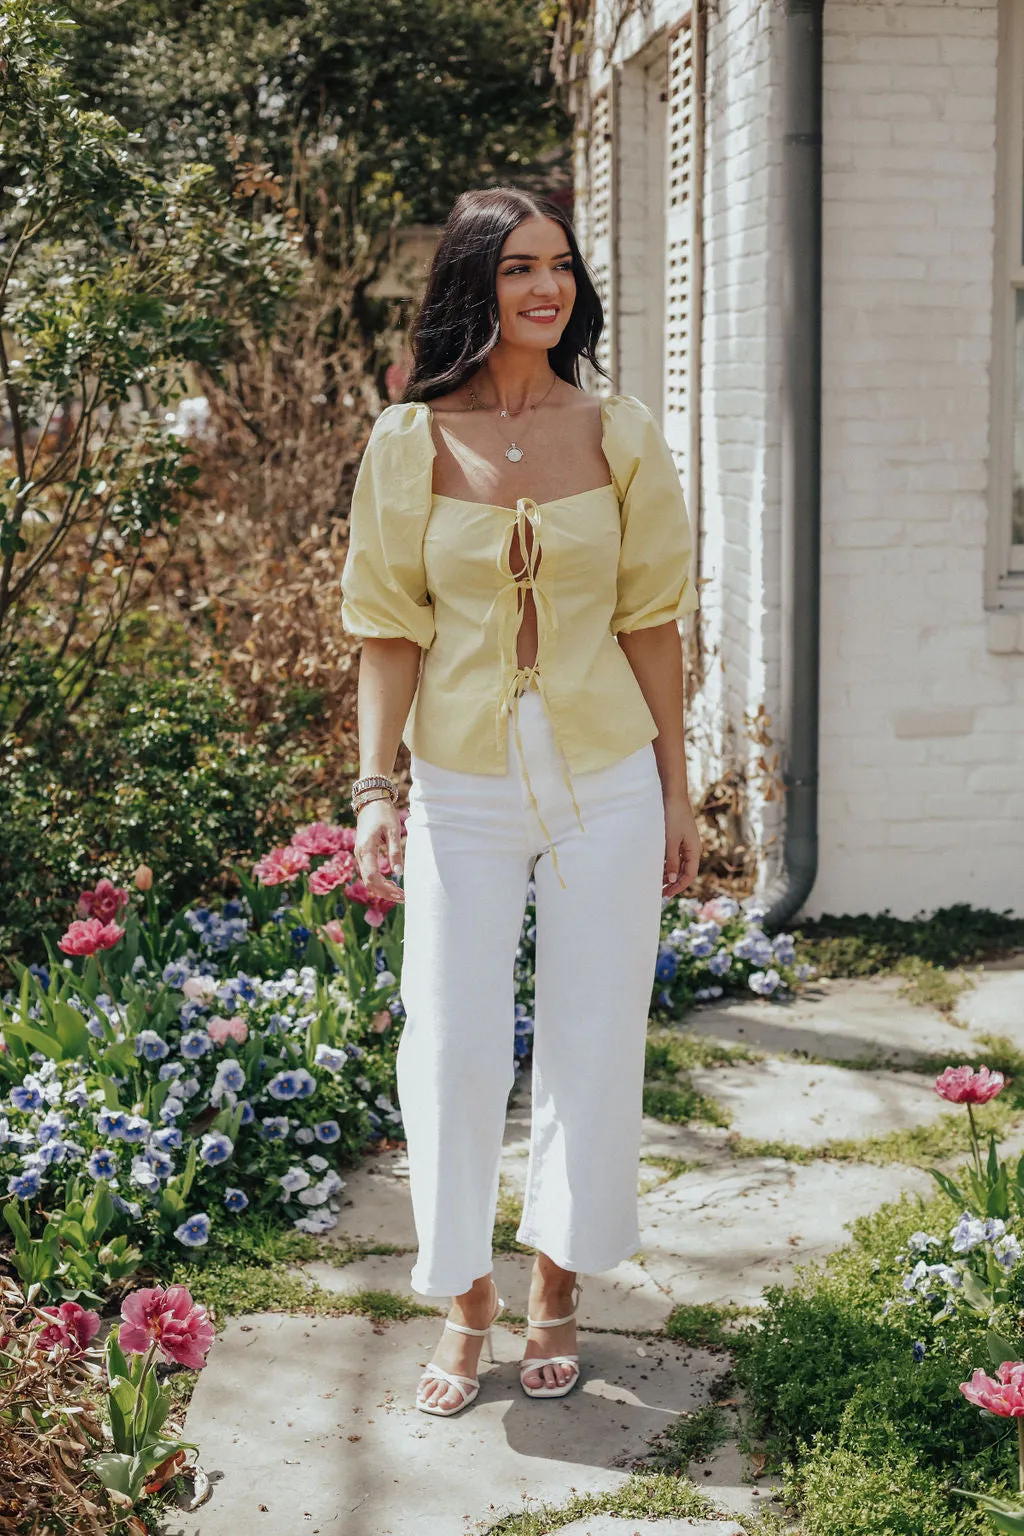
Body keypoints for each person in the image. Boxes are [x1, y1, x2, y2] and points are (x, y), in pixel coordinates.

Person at [340, 186, 700, 1418]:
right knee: (445, 1041)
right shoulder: (410, 440)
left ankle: (555, 1285)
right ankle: (463, 1297)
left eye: (560, 267)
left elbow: (652, 624)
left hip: (603, 774)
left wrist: (676, 786)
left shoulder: (620, 432)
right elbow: (387, 632)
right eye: (517, 269)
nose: (545, 288)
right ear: (474, 285)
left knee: (591, 1039)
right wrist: (375, 788)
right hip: (459, 782)